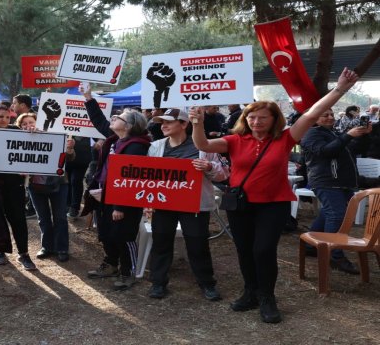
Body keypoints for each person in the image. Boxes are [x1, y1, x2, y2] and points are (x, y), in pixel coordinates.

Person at [189, 67, 360, 324]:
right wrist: (197, 122)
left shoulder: (286, 138)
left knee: (264, 250)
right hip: (240, 204)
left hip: (273, 205)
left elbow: (312, 113)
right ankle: (250, 292)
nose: (256, 122)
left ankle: (267, 297)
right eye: (251, 117)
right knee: (245, 250)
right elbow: (202, 144)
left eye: (262, 118)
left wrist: (340, 89)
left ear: (274, 119)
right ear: (245, 119)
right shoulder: (234, 140)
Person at [143, 109, 228, 301]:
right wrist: (148, 201)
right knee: (161, 242)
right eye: (162, 122)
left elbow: (224, 174)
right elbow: (149, 176)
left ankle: (207, 283)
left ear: (183, 124)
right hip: (163, 204)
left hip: (195, 205)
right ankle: (158, 283)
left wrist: (209, 167)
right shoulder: (155, 147)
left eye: (169, 122)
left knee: (198, 244)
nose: (163, 126)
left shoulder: (204, 146)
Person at [82, 85, 150, 290]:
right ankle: (111, 264)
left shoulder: (136, 147)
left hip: (123, 200)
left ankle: (128, 272)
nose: (113, 118)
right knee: (106, 233)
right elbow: (99, 120)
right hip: (105, 195)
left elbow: (130, 178)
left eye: (119, 117)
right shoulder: (116, 139)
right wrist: (88, 96)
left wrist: (120, 206)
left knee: (124, 236)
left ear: (128, 126)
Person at [300, 108, 371, 274]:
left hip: (340, 182)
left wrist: (363, 134)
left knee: (329, 212)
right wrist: (348, 135)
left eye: (332, 114)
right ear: (314, 118)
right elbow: (326, 151)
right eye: (325, 115)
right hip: (326, 181)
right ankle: (334, 255)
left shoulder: (332, 132)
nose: (330, 117)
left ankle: (311, 246)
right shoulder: (311, 133)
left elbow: (354, 149)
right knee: (336, 214)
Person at [0, 104, 37, 271]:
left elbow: (31, 149)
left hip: (14, 184)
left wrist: (34, 133)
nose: (4, 120)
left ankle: (24, 253)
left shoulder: (17, 131)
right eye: (0, 117)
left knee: (18, 219)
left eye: (7, 117)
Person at [16, 113, 75, 262]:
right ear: (20, 127)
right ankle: (46, 247)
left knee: (60, 217)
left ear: (38, 123)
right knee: (43, 217)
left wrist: (69, 149)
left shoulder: (54, 135)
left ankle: (62, 248)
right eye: (24, 124)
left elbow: (69, 158)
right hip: (35, 185)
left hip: (59, 183)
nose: (28, 126)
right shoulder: (17, 141)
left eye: (31, 122)